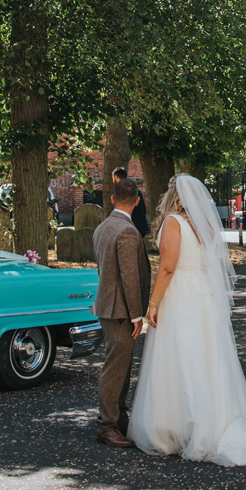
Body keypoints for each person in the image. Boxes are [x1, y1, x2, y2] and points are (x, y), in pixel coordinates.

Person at [128, 173, 246, 465]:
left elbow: (167, 267)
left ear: (173, 196)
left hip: (180, 294)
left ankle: (180, 426)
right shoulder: (204, 227)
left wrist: (152, 303)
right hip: (201, 296)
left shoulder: (173, 223)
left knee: (181, 355)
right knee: (205, 355)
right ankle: (212, 418)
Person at [92, 177, 151, 448]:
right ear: (137, 200)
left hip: (107, 305)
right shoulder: (127, 231)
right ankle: (107, 425)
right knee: (115, 368)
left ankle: (119, 416)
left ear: (113, 199)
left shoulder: (102, 227)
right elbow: (129, 277)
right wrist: (137, 315)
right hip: (121, 310)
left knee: (121, 365)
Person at [111, 166, 149, 237]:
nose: (113, 180)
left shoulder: (121, 192)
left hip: (131, 229)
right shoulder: (134, 189)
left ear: (116, 177)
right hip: (141, 226)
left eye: (113, 178)